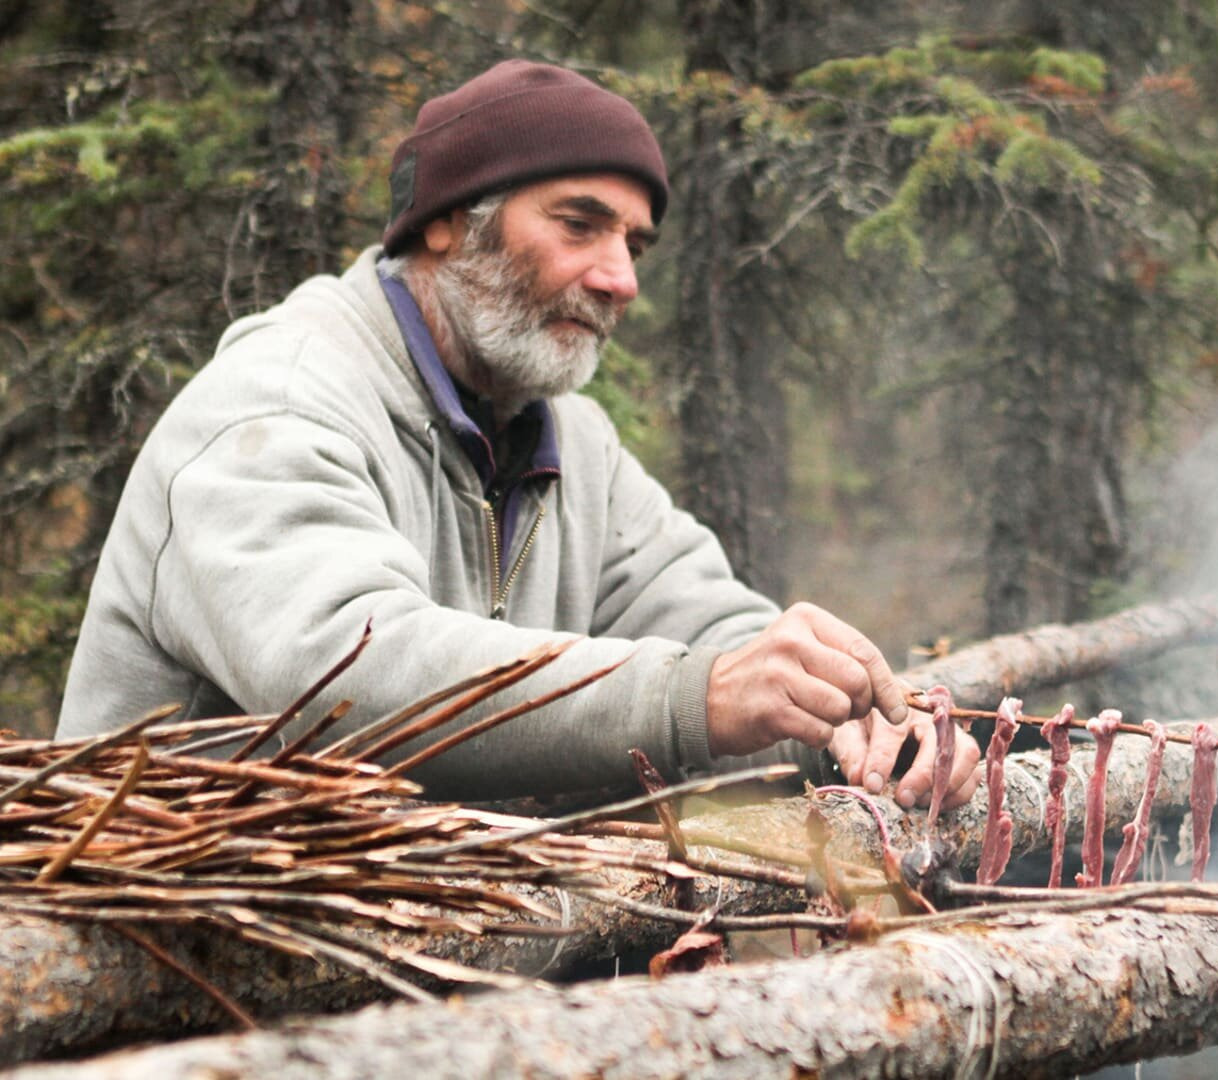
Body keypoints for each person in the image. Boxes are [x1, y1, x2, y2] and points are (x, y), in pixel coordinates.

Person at [57, 59, 979, 808]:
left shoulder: (569, 439)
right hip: (187, 993)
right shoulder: (275, 403)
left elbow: (698, 620)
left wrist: (846, 720)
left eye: (635, 245)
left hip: (421, 991)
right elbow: (348, 677)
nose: (620, 277)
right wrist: (691, 697)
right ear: (450, 223)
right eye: (581, 225)